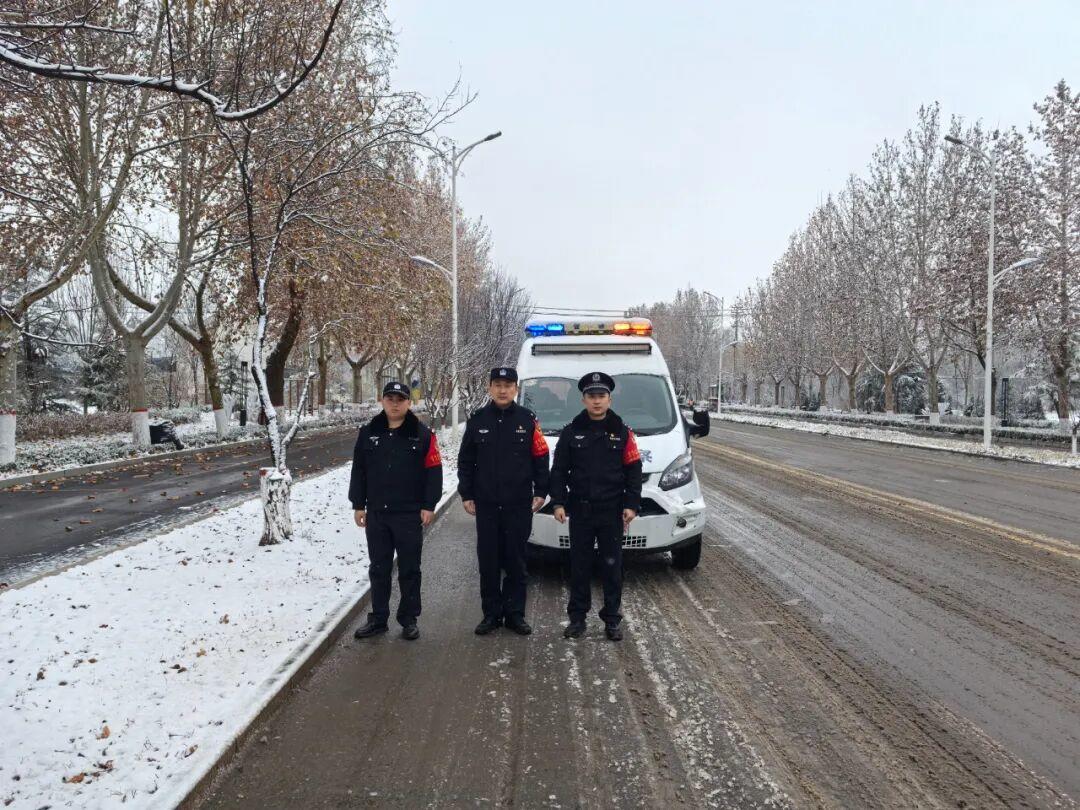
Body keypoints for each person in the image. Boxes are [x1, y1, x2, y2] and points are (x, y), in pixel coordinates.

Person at [549, 371, 643, 641]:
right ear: (583, 400)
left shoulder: (623, 433)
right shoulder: (571, 432)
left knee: (612, 568)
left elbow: (634, 470)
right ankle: (577, 618)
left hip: (611, 511)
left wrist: (632, 504)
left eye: (601, 396)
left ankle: (612, 619)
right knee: (579, 567)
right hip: (581, 510)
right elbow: (559, 471)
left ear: (609, 399)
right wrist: (558, 502)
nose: (597, 401)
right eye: (592, 396)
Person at [458, 367, 550, 636]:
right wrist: (467, 494)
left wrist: (541, 491)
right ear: (489, 388)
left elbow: (540, 457)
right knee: (488, 562)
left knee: (516, 561)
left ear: (516, 390)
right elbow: (465, 461)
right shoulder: (477, 420)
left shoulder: (528, 421)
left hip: (518, 504)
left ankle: (515, 615)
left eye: (508, 385)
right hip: (486, 505)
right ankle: (491, 615)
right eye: (497, 384)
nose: (502, 390)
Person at [349, 381, 442, 641]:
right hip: (377, 513)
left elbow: (433, 472)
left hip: (408, 514)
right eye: (390, 398)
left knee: (410, 569)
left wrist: (429, 505)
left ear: (409, 403)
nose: (394, 403)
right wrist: (358, 504)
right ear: (382, 401)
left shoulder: (422, 434)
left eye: (400, 399)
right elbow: (359, 470)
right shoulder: (368, 433)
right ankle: (378, 619)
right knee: (378, 568)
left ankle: (409, 619)